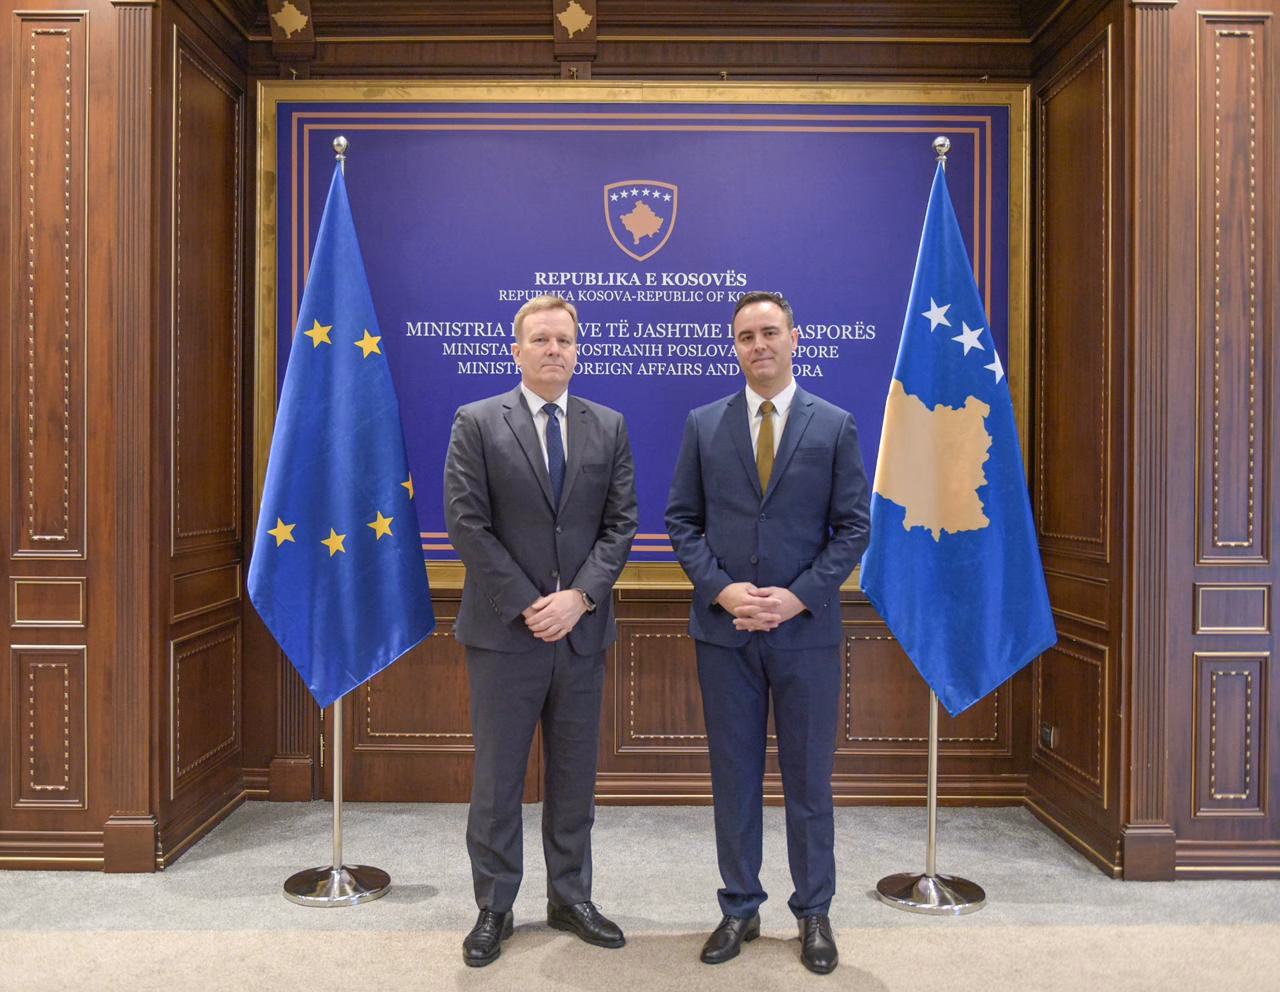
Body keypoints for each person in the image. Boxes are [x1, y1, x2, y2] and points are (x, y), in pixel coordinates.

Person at [664, 290, 870, 975]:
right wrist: (723, 590)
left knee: (809, 783)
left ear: (794, 338)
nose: (759, 345)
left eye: (770, 332)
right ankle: (739, 906)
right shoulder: (704, 424)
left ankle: (814, 912)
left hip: (804, 635)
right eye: (747, 336)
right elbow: (681, 522)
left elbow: (854, 528)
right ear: (735, 346)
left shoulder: (833, 425)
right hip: (725, 634)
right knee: (734, 778)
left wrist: (796, 596)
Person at [444, 294, 638, 967]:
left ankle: (570, 896)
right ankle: (494, 906)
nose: (554, 350)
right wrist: (533, 603)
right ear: (517, 350)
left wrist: (579, 599)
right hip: (506, 633)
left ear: (577, 352)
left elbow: (621, 525)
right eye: (541, 340)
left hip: (581, 634)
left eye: (565, 341)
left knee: (575, 776)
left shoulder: (608, 425)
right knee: (498, 780)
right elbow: (466, 523)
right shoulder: (477, 422)